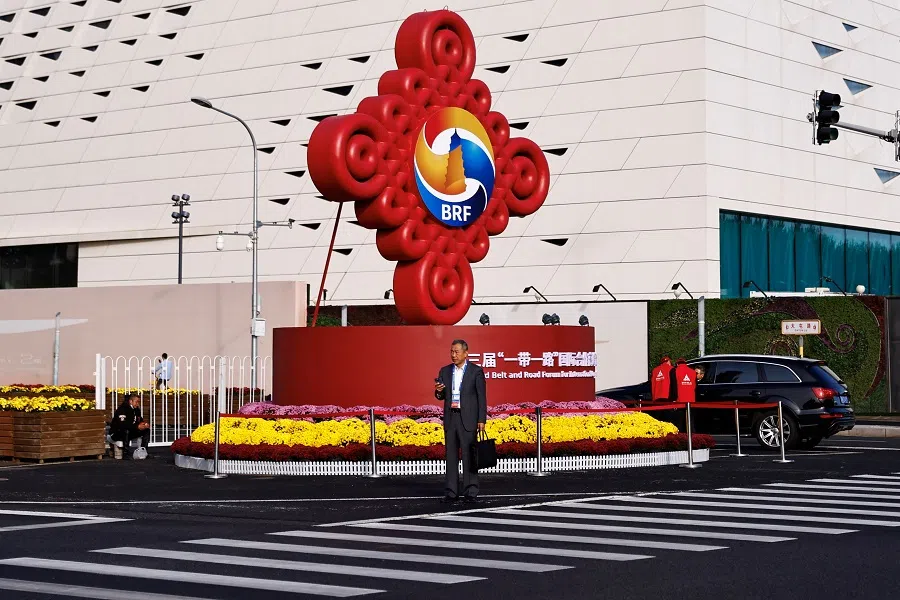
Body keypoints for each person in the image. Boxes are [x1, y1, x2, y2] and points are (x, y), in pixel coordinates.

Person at [434, 339, 487, 504]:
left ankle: (471, 491)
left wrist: (481, 420)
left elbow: (481, 397)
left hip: (469, 419)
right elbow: (440, 396)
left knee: (469, 456)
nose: (453, 355)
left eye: (456, 352)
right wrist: (438, 392)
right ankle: (451, 492)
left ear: (466, 353)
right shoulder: (445, 371)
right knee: (451, 457)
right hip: (451, 418)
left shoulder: (475, 371)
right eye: (451, 351)